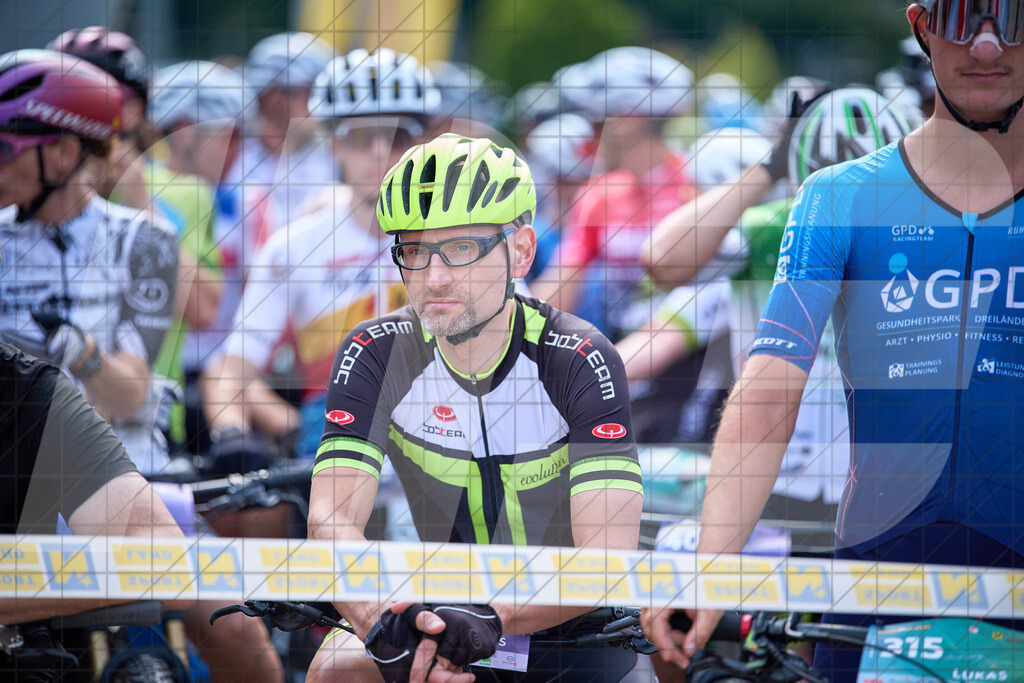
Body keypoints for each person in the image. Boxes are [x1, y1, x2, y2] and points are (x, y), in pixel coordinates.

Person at [644, 2, 1024, 681]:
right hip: (875, 583)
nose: (988, 45)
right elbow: (767, 397)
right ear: (922, 27)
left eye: (1012, 18)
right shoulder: (839, 196)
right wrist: (708, 567)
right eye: (962, 17)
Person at [306, 134, 646, 682]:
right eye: (415, 251)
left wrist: (492, 616)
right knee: (336, 670)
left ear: (522, 251)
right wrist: (388, 625)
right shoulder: (376, 352)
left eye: (462, 248)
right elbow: (330, 519)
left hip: (569, 630)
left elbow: (606, 555)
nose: (434, 278)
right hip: (438, 614)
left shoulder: (579, 357)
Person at [203, 47, 439, 464]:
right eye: (361, 138)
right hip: (337, 454)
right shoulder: (295, 246)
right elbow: (230, 369)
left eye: (396, 136)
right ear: (334, 146)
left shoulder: (463, 238)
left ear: (421, 144)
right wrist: (270, 429)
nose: (379, 152)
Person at [49, 26, 224, 454]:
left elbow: (203, 310)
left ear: (133, 111)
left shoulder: (184, 193)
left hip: (148, 426)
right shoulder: (42, 192)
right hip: (48, 425)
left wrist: (139, 199)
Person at [532, 46, 697, 341]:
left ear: (626, 120)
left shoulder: (698, 186)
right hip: (617, 353)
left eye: (594, 121)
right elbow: (558, 290)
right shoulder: (598, 195)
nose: (586, 138)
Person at [234, 31, 337, 224]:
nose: (320, 104)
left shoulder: (337, 155)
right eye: (311, 92)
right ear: (274, 96)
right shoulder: (233, 156)